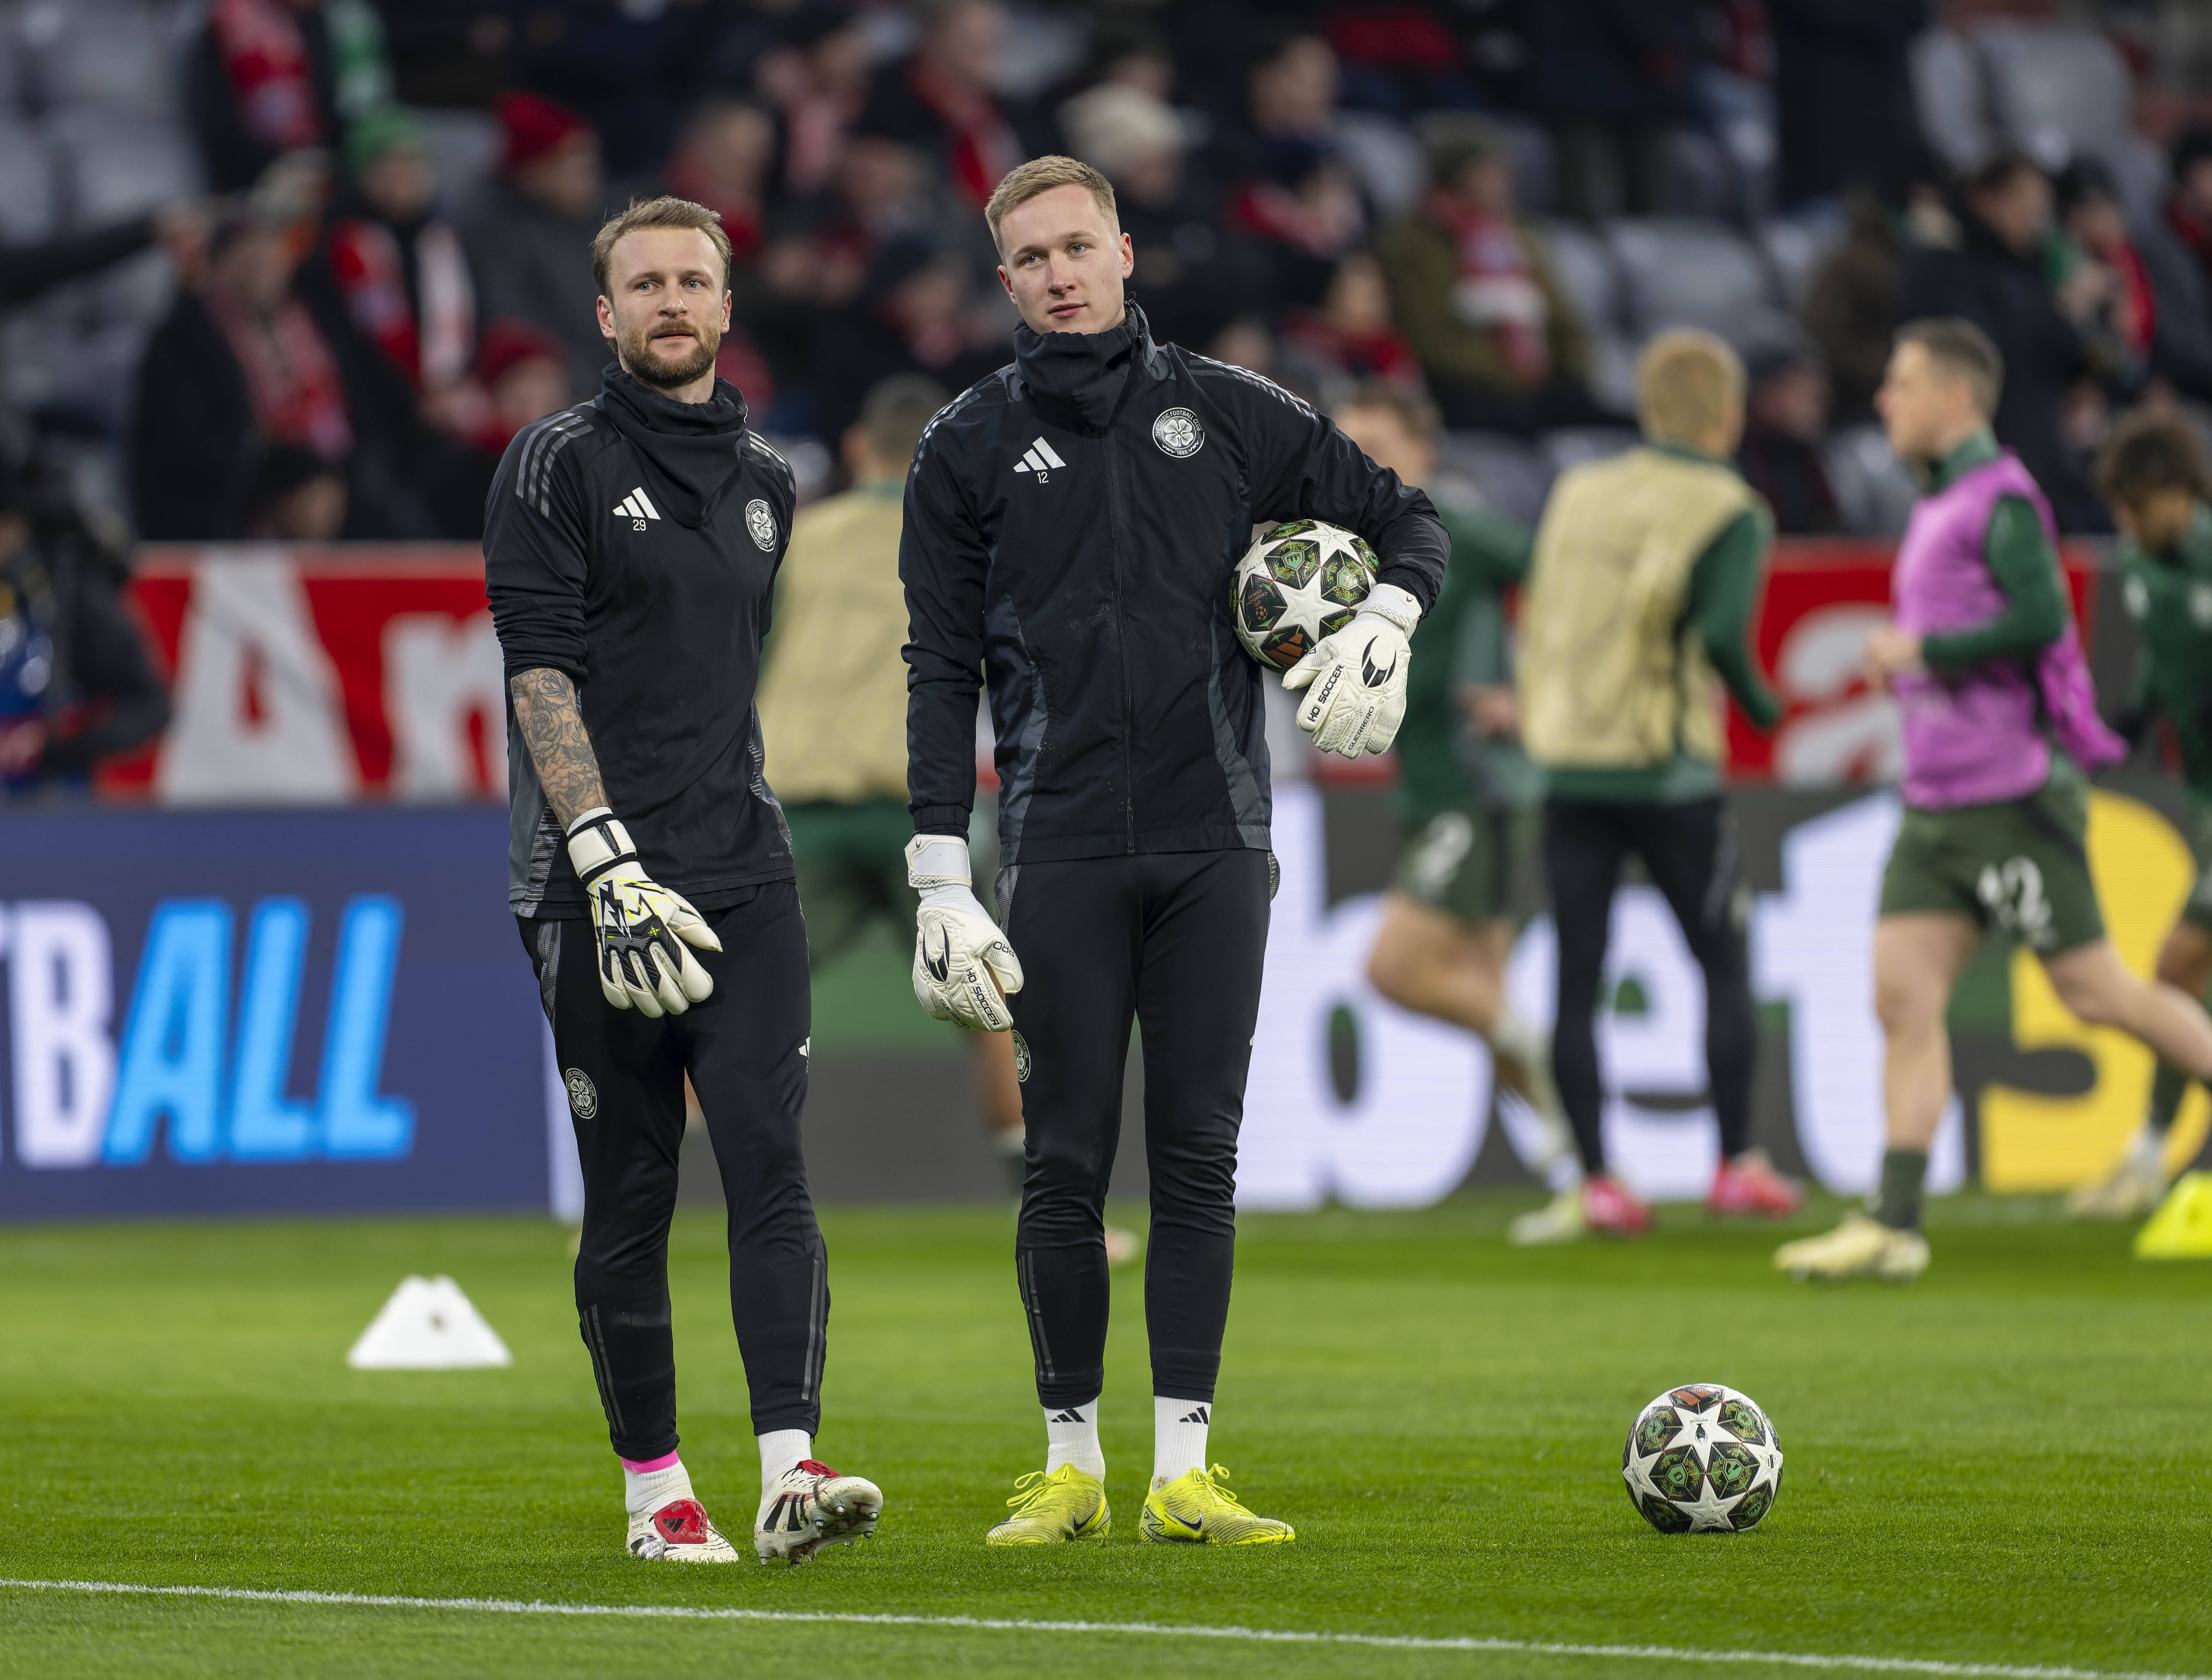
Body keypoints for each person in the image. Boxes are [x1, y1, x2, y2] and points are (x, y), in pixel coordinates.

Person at [901, 155, 1446, 1546]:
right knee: (1066, 1160)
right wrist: (936, 867)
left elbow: (1409, 518)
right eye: (1032, 258)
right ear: (1006, 278)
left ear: (1126, 252)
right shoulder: (963, 444)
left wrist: (1386, 621)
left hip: (1217, 838)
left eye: (1079, 246)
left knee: (1199, 1155)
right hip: (1058, 840)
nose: (1060, 272)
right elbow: (936, 667)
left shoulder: (1226, 408)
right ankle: (1071, 1461)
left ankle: (1185, 1470)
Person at [484, 194, 883, 1564]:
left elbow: (715, 691)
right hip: (593, 880)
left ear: (726, 307)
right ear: (606, 315)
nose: (669, 300)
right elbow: (539, 667)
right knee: (635, 1185)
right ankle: (657, 1491)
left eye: (691, 281)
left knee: (773, 1157)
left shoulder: (773, 482)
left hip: (743, 870)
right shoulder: (553, 462)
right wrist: (602, 852)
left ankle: (790, 1467)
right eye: (643, 283)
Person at [1775, 321, 2212, 1283]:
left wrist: (1923, 651)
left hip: (2012, 799)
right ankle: (1896, 1220)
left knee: (2101, 993)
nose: (1884, 401)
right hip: (1935, 809)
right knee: (1901, 996)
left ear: (1953, 398)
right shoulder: (1942, 506)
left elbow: (2045, 615)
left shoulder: (2002, 499)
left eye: (1901, 383)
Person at [1516, 330, 1799, 1239]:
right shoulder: (1729, 505)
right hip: (1670, 772)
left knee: (1576, 976)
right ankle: (1734, 1164)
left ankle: (1597, 1179)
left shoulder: (1577, 491)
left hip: (1567, 763)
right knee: (1719, 958)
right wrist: (1763, 707)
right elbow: (1720, 634)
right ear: (1727, 413)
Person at [753, 374, 1035, 1199]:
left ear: (854, 448)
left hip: (799, 810)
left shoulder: (794, 541)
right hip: (929, 814)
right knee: (994, 1001)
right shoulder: (972, 544)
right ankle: (1057, 1214)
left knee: (733, 1003)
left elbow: (739, 672)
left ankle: (632, 1212)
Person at [1337, 382, 1577, 1241]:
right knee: (1485, 991)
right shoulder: (1352, 555)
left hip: (1476, 788)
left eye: (1376, 444)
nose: (1357, 464)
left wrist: (1534, 691)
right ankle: (1583, 1177)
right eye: (1346, 447)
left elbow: (1571, 590)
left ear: (1422, 452)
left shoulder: (1456, 529)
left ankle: (1553, 1066)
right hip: (1432, 785)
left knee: (1396, 970)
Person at [2068, 412, 2212, 1217]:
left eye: (2139, 505)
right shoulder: (2137, 562)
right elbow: (2161, 658)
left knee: (2174, 962)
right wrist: (2132, 717)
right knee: (2184, 974)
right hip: (2200, 795)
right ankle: (2155, 1152)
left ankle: (2153, 1151)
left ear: (2184, 492)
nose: (2126, 523)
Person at [1898, 154, 2100, 529]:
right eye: (2022, 197)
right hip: (1978, 463)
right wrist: (2058, 314)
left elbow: (2070, 362)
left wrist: (2093, 330)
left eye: (2042, 201)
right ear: (1984, 198)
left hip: (2045, 464)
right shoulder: (1944, 267)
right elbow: (1973, 354)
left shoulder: (2035, 268)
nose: (2035, 212)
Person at [131, 214, 357, 540]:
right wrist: (282, 487)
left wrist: (328, 483)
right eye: (249, 257)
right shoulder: (185, 339)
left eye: (271, 254)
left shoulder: (317, 321)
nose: (263, 266)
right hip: (223, 514)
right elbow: (187, 451)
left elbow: (354, 425)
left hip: (328, 497)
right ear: (220, 266)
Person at [1377, 117, 1596, 435]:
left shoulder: (1519, 236)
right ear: (1455, 179)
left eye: (1502, 173)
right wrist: (1509, 379)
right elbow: (1431, 338)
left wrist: (1570, 376)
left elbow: (1563, 321)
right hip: (1465, 390)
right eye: (1485, 174)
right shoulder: (1414, 242)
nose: (1500, 185)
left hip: (1536, 387)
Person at [466, 93, 611, 401]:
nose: (590, 177)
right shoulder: (499, 235)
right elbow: (514, 324)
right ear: (533, 172)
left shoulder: (605, 221)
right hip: (566, 388)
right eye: (574, 165)